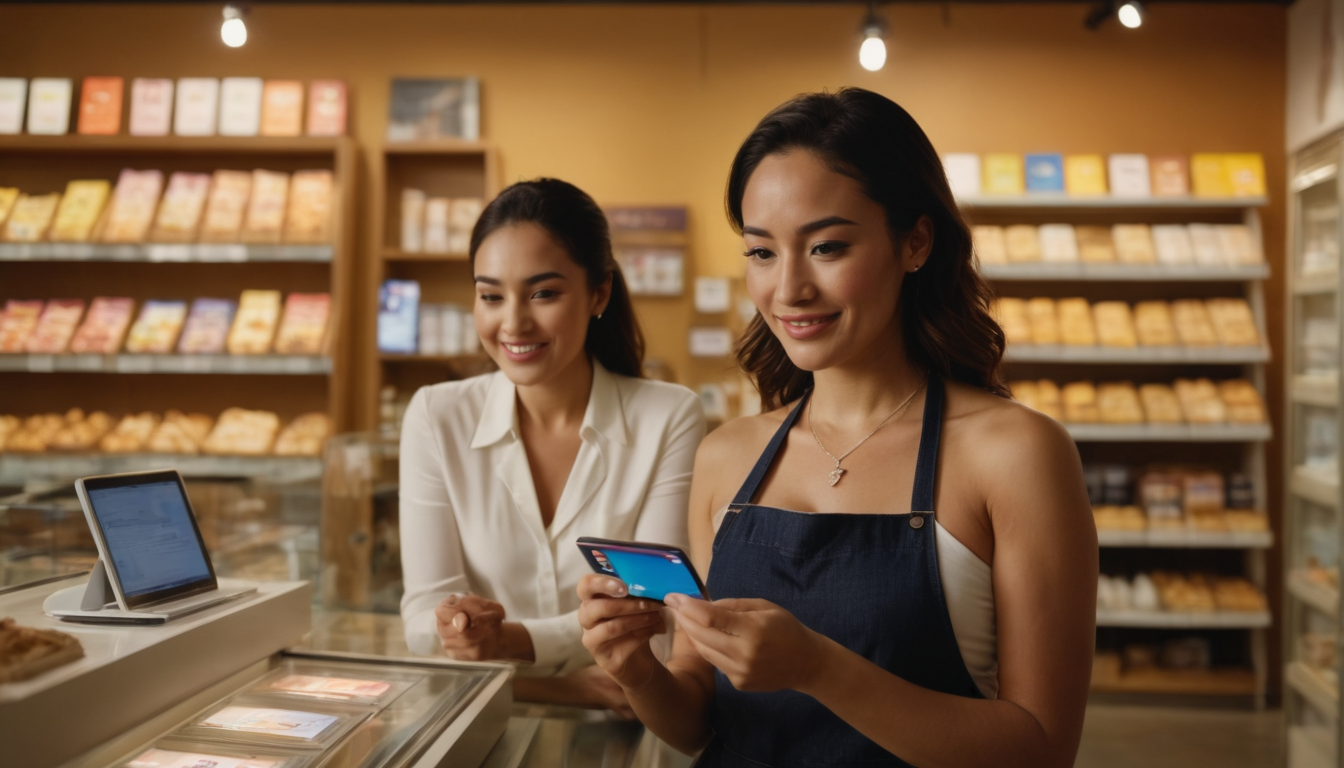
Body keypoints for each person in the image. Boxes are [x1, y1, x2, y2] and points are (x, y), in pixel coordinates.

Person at [577, 89, 1097, 766]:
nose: (789, 289)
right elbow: (702, 722)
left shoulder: (1016, 454)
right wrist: (639, 673)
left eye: (826, 246)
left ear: (915, 241)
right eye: (761, 253)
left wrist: (821, 668)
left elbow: (1042, 748)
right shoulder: (726, 457)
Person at [399, 178, 705, 715]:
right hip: (485, 726)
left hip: (633, 732)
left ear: (599, 293)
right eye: (491, 296)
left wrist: (505, 644)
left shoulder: (669, 416)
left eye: (543, 293)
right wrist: (554, 686)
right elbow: (425, 620)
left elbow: (655, 612)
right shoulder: (436, 415)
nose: (513, 322)